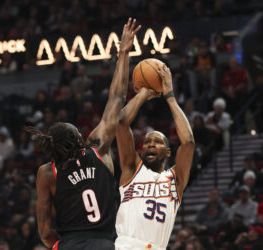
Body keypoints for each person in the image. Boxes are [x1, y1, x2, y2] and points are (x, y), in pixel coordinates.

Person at [28, 18, 141, 250]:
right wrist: (123, 54)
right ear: (79, 139)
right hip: (106, 242)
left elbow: (45, 231)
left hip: (70, 244)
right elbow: (117, 99)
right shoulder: (97, 149)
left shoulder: (47, 173)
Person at [115, 65, 195, 249]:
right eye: (147, 142)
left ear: (168, 152)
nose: (150, 144)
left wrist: (170, 97)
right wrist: (144, 92)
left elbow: (188, 142)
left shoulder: (175, 179)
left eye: (157, 142)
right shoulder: (131, 169)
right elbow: (121, 123)